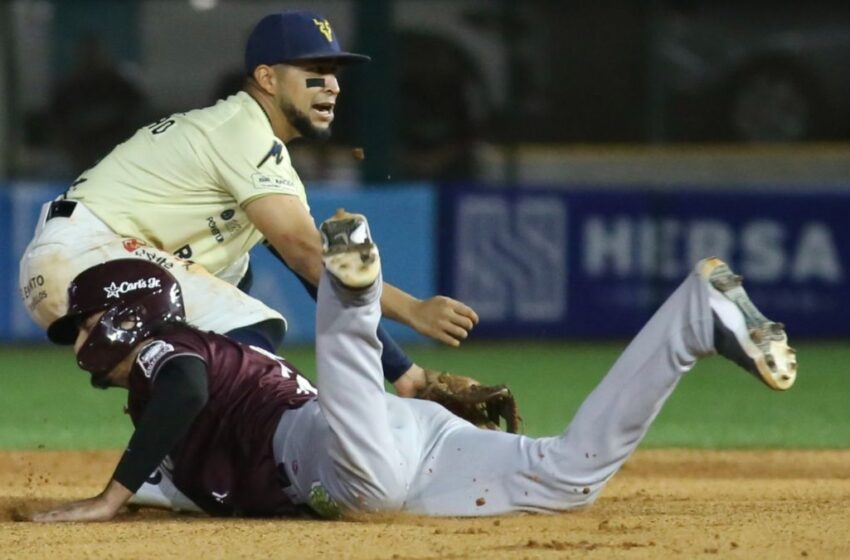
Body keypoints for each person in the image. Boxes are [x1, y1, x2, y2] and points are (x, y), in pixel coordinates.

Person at [28, 210, 796, 522]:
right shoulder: (167, 398)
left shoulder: (174, 352)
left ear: (126, 314)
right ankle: (695, 320)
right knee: (568, 478)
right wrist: (145, 492)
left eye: (88, 319)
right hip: (408, 436)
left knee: (367, 489)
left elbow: (185, 388)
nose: (82, 335)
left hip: (330, 449)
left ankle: (352, 292)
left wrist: (107, 498)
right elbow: (183, 461)